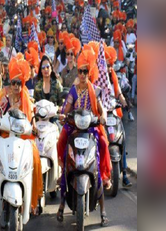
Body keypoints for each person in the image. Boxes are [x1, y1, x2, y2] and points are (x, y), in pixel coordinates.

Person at [56, 49, 112, 227]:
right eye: (80, 71)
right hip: (74, 128)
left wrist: (102, 117)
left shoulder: (95, 90)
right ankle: (62, 198)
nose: (82, 74)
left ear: (90, 73)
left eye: (85, 71)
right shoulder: (73, 90)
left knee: (103, 143)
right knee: (62, 143)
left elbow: (101, 108)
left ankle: (103, 205)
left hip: (90, 130)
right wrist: (64, 115)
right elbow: (67, 108)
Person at [0, 54, 43, 214]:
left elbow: (31, 118)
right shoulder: (3, 95)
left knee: (35, 158)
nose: (16, 86)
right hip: (5, 137)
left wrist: (34, 127)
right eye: (13, 82)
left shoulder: (27, 98)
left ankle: (33, 201)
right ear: (10, 82)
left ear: (23, 83)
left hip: (24, 139)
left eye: (19, 83)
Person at [105, 46, 133, 187]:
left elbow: (119, 94)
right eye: (106, 65)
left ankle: (124, 173)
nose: (109, 68)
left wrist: (125, 103)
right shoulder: (98, 78)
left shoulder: (114, 77)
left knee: (122, 138)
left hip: (114, 114)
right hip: (102, 116)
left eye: (111, 65)